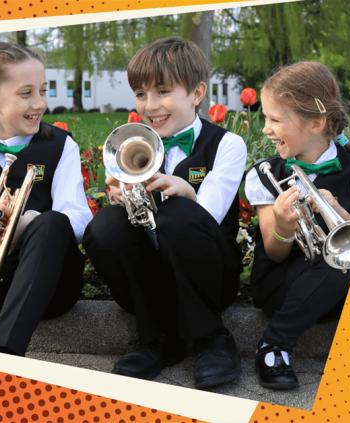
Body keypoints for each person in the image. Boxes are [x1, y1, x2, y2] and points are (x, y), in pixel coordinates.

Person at [83, 37, 246, 388]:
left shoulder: (227, 144)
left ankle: (211, 339)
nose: (150, 105)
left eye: (163, 91)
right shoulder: (132, 144)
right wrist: (122, 200)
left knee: (180, 215)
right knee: (105, 226)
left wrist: (187, 192)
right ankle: (157, 340)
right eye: (141, 94)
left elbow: (210, 216)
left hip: (211, 277)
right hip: (154, 275)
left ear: (197, 93)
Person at [245, 62, 350, 389]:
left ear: (316, 123)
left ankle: (273, 345)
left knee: (345, 258)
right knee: (337, 260)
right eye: (266, 118)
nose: (266, 129)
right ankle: (273, 346)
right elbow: (275, 254)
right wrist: (283, 225)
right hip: (280, 285)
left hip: (335, 293)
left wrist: (334, 208)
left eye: (275, 120)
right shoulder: (265, 173)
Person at [0, 42, 92, 356]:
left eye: (43, 91)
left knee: (53, 221)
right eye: (26, 93)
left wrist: (27, 223)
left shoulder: (60, 145)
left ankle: (3, 353)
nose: (40, 103)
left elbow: (81, 220)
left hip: (48, 287)